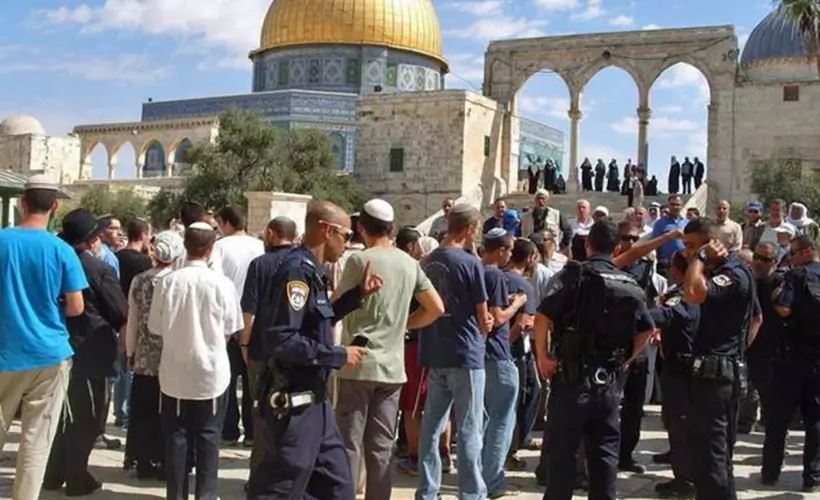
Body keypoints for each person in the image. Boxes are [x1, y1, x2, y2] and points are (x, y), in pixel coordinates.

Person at [247, 201, 382, 499]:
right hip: (294, 404)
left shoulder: (312, 271)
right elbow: (281, 339)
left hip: (317, 404)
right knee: (281, 488)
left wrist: (356, 296)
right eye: (346, 235)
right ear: (326, 230)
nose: (349, 243)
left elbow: (316, 319)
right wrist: (337, 355)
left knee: (337, 488)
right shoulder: (296, 272)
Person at [533, 219, 655, 500]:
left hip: (572, 381)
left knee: (562, 457)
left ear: (588, 245)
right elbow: (647, 329)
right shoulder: (631, 283)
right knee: (604, 458)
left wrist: (543, 356)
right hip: (608, 384)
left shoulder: (575, 276)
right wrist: (626, 360)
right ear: (616, 247)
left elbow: (542, 316)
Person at [334, 200, 444, 500]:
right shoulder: (409, 263)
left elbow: (336, 306)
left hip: (358, 364)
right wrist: (404, 325)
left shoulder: (359, 261)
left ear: (360, 228)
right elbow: (436, 308)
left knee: (349, 443)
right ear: (392, 228)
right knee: (381, 447)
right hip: (393, 368)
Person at [0, 175, 85, 500]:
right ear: (56, 207)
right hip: (49, 353)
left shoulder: (2, 241)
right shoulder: (61, 250)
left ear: (22, 203)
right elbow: (76, 306)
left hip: (6, 351)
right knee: (36, 442)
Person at [148, 223, 244, 500]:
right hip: (211, 371)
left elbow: (156, 326)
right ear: (212, 248)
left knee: (176, 438)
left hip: (175, 369)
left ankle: (175, 495)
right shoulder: (222, 284)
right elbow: (231, 326)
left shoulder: (167, 282)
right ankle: (206, 494)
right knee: (209, 437)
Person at [44, 209, 128, 496]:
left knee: (60, 415)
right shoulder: (97, 269)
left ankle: (53, 473)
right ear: (93, 239)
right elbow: (119, 312)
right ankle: (76, 476)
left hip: (55, 347)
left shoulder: (52, 261)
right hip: (91, 351)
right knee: (89, 417)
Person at [680, 218, 762, 499]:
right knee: (710, 457)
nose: (686, 253)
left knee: (711, 458)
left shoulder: (733, 273)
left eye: (692, 246)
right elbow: (756, 318)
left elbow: (691, 292)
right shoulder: (727, 272)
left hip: (717, 378)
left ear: (711, 243)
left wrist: (701, 258)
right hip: (717, 374)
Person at [416, 204, 493, 500]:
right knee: (470, 429)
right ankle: (472, 493)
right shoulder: (470, 263)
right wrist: (486, 324)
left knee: (431, 427)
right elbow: (482, 314)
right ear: (470, 229)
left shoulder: (428, 261)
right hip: (466, 354)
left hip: (435, 352)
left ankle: (427, 491)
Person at [124, 231, 185, 480]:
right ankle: (167, 459)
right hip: (172, 356)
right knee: (169, 412)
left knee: (144, 409)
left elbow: (133, 319)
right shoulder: (179, 281)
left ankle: (143, 458)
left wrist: (130, 351)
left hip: (145, 356)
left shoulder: (140, 281)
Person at [239, 216, 298, 472]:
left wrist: (244, 344)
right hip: (294, 350)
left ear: (272, 234)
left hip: (262, 349)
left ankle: (262, 472)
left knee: (262, 412)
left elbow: (249, 312)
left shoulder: (259, 265)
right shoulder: (303, 264)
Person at [762, 235, 820, 493]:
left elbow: (783, 308)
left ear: (807, 251)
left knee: (778, 421)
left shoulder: (796, 276)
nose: (791, 258)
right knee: (816, 421)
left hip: (792, 357)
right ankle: (812, 478)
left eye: (793, 253)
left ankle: (770, 473)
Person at [211, 206, 265, 447]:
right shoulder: (259, 246)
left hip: (229, 321)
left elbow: (216, 283)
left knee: (229, 379)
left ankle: (229, 429)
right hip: (254, 319)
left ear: (225, 222)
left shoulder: (220, 247)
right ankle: (252, 432)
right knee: (252, 379)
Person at [480, 229, 526, 498]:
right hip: (498, 355)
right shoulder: (495, 274)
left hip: (479, 356)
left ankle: (479, 479)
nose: (510, 256)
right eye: (508, 251)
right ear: (501, 250)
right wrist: (517, 303)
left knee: (484, 420)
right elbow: (497, 319)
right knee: (501, 422)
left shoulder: (474, 270)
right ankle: (493, 484)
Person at [650, 251, 699, 498]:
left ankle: (685, 481)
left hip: (681, 369)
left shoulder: (682, 295)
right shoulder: (697, 291)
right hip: (686, 366)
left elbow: (663, 315)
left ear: (677, 270)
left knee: (680, 425)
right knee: (677, 423)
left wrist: (640, 312)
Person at [503, 239, 539, 470]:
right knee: (520, 399)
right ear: (530, 258)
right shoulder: (524, 285)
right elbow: (524, 323)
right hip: (515, 352)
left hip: (493, 349)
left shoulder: (496, 276)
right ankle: (510, 450)